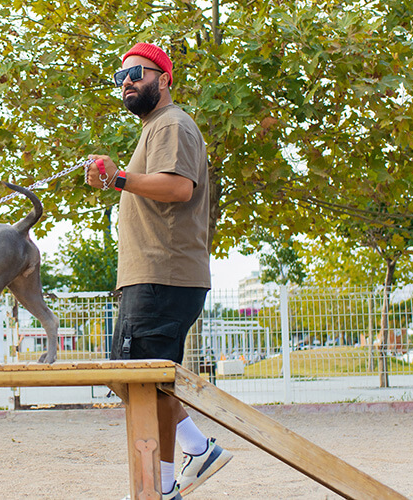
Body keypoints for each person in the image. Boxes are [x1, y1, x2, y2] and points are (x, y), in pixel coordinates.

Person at [85, 42, 232, 499]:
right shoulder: (155, 128)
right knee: (133, 378)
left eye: (138, 73)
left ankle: (163, 487)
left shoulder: (171, 124)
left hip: (163, 276)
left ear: (163, 79)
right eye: (121, 76)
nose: (127, 82)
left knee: (143, 382)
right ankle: (197, 447)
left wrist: (119, 178)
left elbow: (178, 187)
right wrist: (114, 178)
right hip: (150, 276)